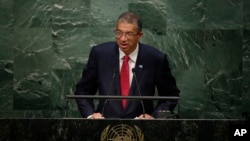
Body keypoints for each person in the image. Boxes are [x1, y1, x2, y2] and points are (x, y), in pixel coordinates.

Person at [74, 11, 180, 119]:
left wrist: (154, 117)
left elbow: (170, 96)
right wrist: (90, 115)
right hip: (104, 128)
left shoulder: (155, 58)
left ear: (140, 35)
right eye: (119, 33)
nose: (123, 39)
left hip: (143, 129)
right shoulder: (100, 54)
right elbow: (83, 90)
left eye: (129, 34)